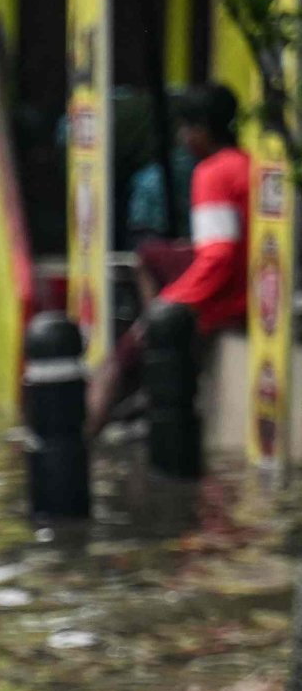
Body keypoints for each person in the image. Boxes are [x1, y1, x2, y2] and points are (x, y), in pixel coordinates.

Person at [91, 79, 251, 433]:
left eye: (185, 128)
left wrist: (169, 307)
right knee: (148, 254)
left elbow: (219, 258)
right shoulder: (245, 163)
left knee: (115, 365)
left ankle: (82, 443)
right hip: (240, 290)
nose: (181, 137)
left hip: (221, 301)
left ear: (203, 129)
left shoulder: (212, 174)